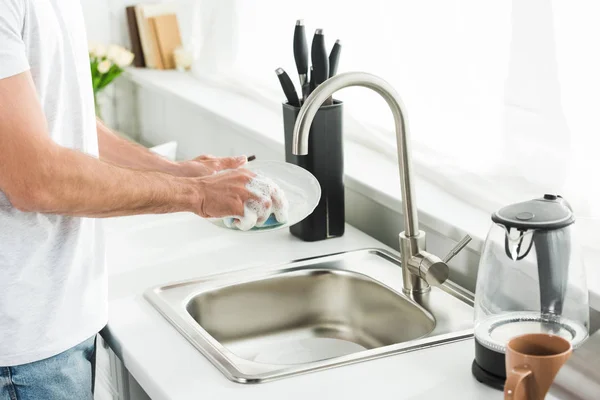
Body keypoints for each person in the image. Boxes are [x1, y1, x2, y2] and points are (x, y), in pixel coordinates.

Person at [0, 1, 282, 398]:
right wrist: (197, 195)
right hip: (20, 353)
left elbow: (64, 117)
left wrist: (175, 170)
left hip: (56, 324)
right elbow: (36, 179)